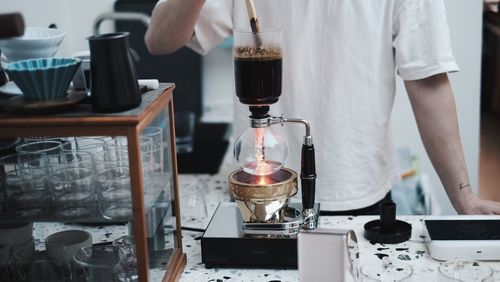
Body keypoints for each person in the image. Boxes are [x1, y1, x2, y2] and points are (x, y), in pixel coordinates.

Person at [145, 0, 500, 215]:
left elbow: (427, 80)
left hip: (359, 189)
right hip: (260, 188)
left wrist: (463, 195)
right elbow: (159, 40)